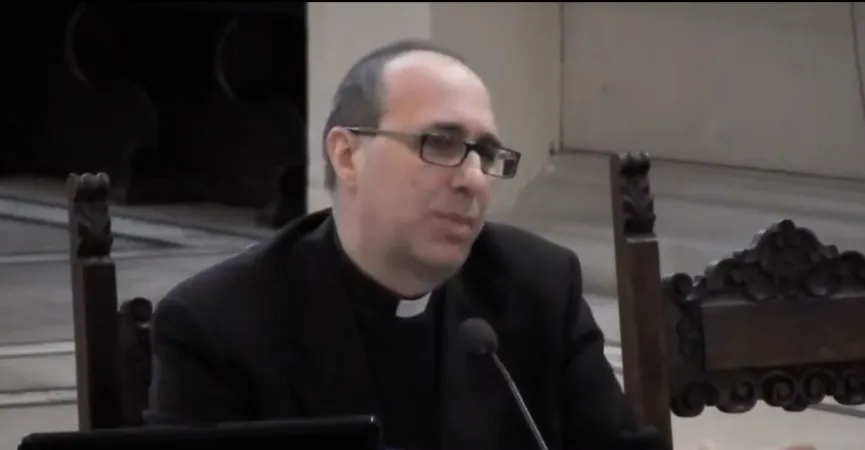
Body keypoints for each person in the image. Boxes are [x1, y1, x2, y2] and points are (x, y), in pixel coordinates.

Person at [146, 40, 814, 450]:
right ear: (347, 155)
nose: (471, 179)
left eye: (488, 154)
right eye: (440, 143)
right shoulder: (218, 324)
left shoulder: (535, 285)